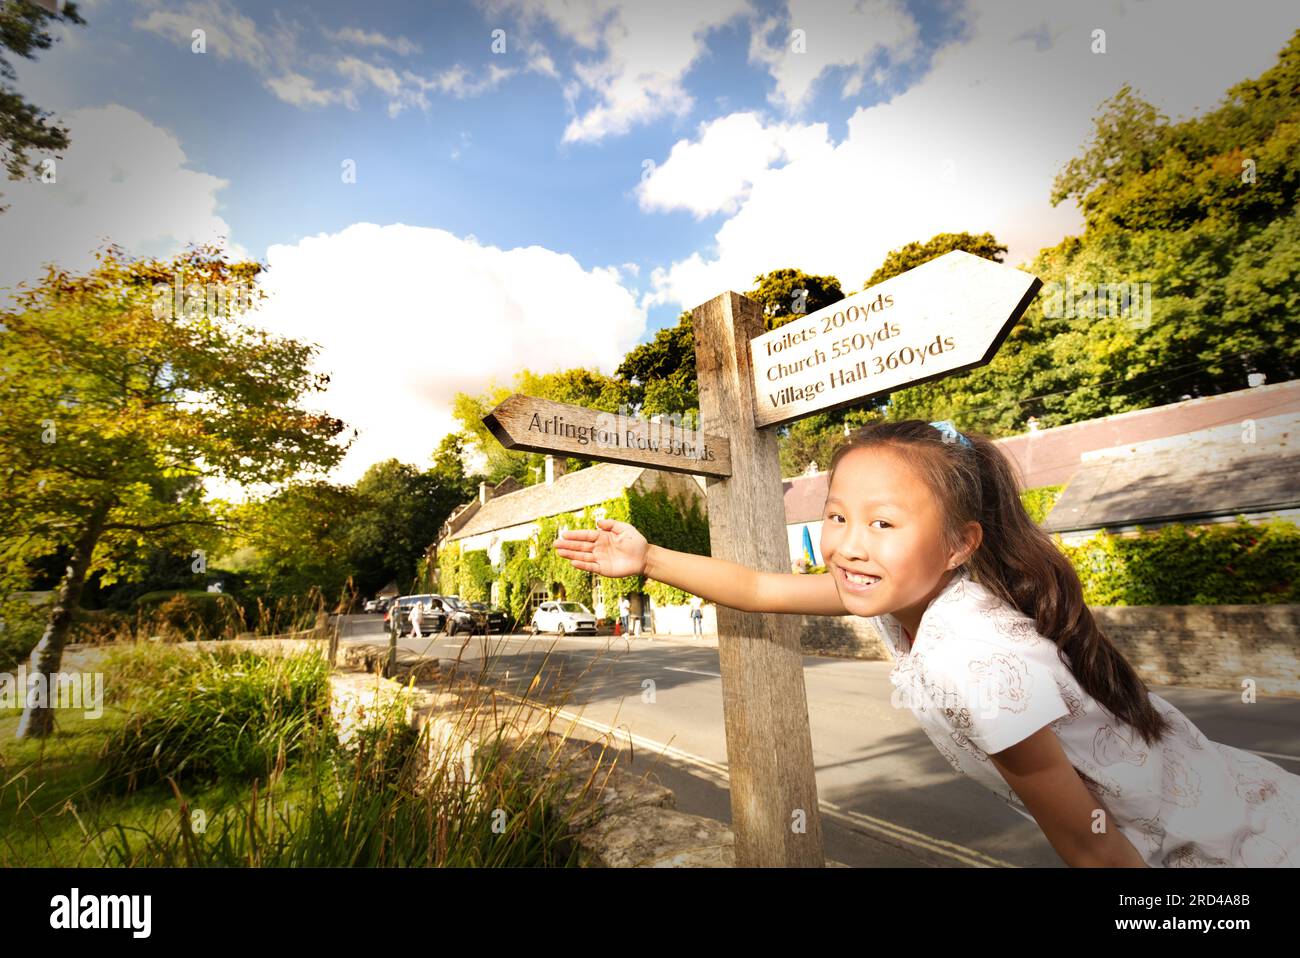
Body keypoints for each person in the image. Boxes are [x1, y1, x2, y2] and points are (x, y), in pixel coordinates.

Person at [553, 419, 1300, 868]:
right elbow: (761, 588)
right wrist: (647, 559)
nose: (847, 545)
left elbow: (1094, 848)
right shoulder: (902, 594)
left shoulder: (977, 665)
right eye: (838, 517)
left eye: (883, 523)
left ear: (957, 544)